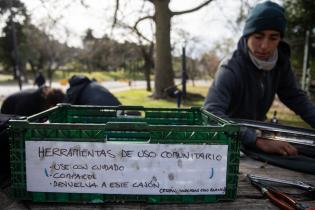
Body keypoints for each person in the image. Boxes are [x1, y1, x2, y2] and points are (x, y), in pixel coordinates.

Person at [204, 1, 315, 156]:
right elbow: (211, 115)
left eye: (273, 38)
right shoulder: (230, 69)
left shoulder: (280, 63)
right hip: (226, 144)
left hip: (257, 135)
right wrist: (255, 140)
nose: (264, 46)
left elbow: (295, 97)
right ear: (247, 35)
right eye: (258, 36)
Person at [1, 86, 65, 116]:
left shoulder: (41, 97)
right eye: (51, 106)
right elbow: (20, 121)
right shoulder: (28, 102)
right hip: (8, 115)